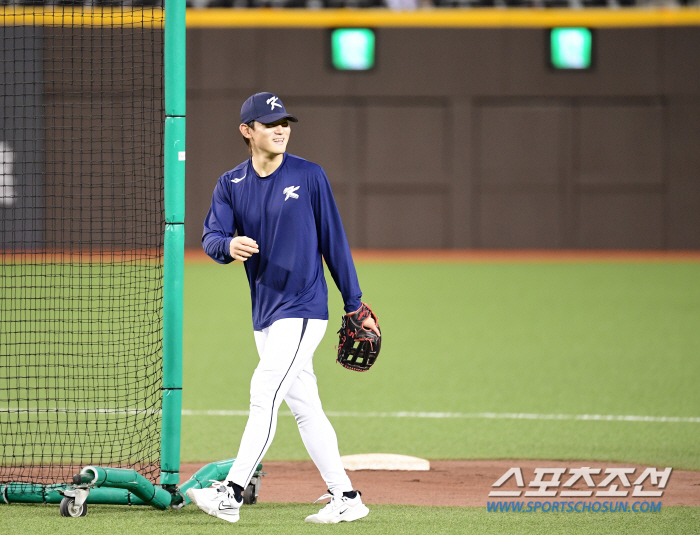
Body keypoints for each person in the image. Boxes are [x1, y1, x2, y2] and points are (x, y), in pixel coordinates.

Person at [187, 92, 378, 524]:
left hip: (305, 307)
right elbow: (210, 237)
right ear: (247, 131)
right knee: (306, 407)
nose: (281, 129)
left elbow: (334, 242)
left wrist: (354, 303)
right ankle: (346, 497)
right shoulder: (230, 183)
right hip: (266, 312)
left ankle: (230, 494)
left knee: (264, 392)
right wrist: (227, 245)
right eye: (271, 123)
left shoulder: (310, 176)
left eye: (285, 122)